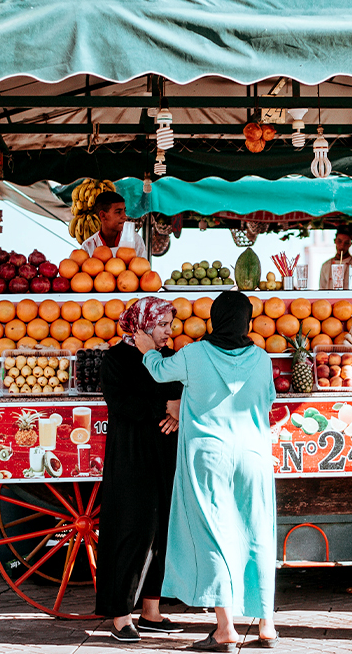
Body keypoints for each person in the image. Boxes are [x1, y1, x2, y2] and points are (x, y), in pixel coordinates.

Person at [135, 291, 277, 652]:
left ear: (213, 319)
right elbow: (268, 399)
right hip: (253, 455)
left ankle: (226, 628)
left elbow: (158, 371)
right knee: (258, 531)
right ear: (246, 321)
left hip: (208, 456)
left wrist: (146, 349)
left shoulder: (194, 353)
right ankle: (267, 624)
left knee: (215, 533)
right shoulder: (261, 358)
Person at [95, 297, 185, 642]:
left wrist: (178, 411)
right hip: (132, 457)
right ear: (142, 325)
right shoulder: (115, 358)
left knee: (163, 531)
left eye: (169, 324)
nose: (168, 331)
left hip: (165, 454)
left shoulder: (167, 359)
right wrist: (166, 407)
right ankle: (120, 614)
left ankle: (151, 611)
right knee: (133, 530)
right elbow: (121, 403)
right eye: (162, 325)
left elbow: (181, 393)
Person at [80, 191, 148, 258]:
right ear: (103, 216)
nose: (124, 216)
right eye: (118, 212)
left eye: (124, 211)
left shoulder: (135, 240)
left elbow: (143, 266)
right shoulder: (88, 247)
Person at [317, 224, 352, 289]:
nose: (342, 246)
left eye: (346, 242)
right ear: (335, 241)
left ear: (350, 244)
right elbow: (322, 289)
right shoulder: (326, 265)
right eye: (339, 241)